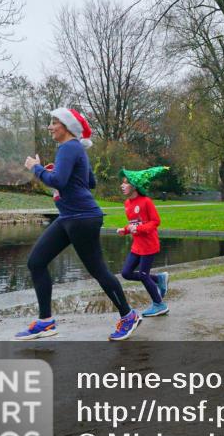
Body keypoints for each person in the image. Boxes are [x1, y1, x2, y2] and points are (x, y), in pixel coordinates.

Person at [16, 108, 141, 341]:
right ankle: (45, 322)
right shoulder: (76, 149)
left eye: (54, 122)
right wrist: (61, 170)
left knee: (98, 270)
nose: (50, 127)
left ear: (66, 126)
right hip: (69, 217)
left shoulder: (68, 148)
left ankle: (128, 316)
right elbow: (90, 181)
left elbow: (59, 181)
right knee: (36, 262)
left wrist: (36, 168)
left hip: (82, 218)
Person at [117, 166, 171, 317]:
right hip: (137, 246)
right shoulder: (127, 203)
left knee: (143, 275)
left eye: (126, 183)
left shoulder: (146, 201)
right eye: (122, 183)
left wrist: (138, 229)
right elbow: (134, 223)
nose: (122, 185)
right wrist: (125, 230)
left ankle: (159, 305)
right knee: (126, 273)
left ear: (134, 186)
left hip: (149, 245)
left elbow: (155, 221)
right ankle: (159, 278)